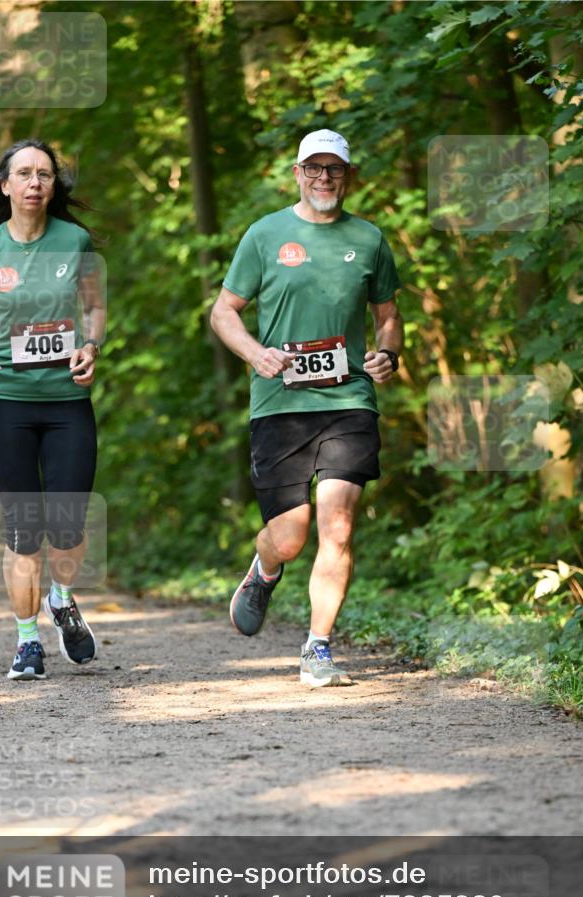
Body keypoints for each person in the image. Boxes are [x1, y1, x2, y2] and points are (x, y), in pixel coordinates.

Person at [210, 128, 403, 687]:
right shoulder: (265, 234)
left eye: (334, 169)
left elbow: (389, 316)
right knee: (290, 536)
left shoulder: (368, 239)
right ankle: (266, 566)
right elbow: (224, 311)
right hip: (280, 404)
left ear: (348, 176)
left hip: (348, 398)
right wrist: (256, 354)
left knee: (337, 525)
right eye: (313, 168)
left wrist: (387, 353)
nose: (324, 178)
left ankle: (318, 647)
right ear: (296, 174)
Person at [0, 139, 105, 680]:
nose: (35, 182)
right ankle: (26, 644)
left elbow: (93, 306)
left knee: (67, 525)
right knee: (23, 530)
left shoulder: (75, 241)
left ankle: (60, 599)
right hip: (7, 405)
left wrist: (91, 346)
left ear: (52, 185)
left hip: (67, 403)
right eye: (24, 173)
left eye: (44, 174)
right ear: (6, 186)